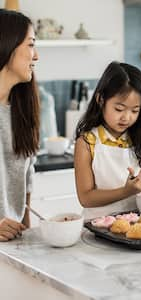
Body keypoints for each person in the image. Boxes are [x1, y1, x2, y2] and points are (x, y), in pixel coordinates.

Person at [74, 61, 141, 220]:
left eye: (135, 111)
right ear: (101, 100)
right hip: (100, 229)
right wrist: (126, 191)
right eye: (119, 109)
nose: (126, 117)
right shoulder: (87, 143)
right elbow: (86, 198)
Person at [0, 9, 39, 241]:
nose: (36, 56)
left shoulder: (22, 110)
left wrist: (28, 233)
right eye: (31, 45)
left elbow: (27, 175)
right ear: (7, 45)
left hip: (14, 247)